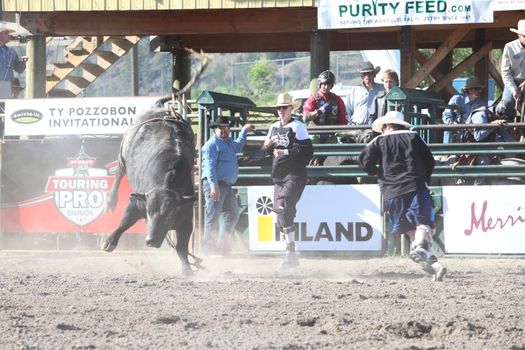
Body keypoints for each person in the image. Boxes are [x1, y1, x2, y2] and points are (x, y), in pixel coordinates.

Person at [358, 111, 446, 281]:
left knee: (411, 231)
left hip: (391, 191)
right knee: (423, 224)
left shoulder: (378, 141)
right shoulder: (413, 137)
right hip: (415, 185)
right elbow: (429, 160)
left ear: (386, 126)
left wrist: (377, 173)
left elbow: (363, 161)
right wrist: (425, 177)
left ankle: (434, 265)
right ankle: (422, 250)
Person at [263, 92, 313, 270]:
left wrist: (286, 152)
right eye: (279, 108)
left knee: (283, 206)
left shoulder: (298, 127)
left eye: (284, 107)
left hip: (294, 174)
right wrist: (268, 147)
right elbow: (266, 150)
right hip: (278, 175)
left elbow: (307, 152)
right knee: (281, 216)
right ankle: (291, 254)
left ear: (291, 109)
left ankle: (290, 253)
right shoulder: (274, 127)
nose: (281, 111)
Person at [201, 116, 255, 254]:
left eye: (226, 127)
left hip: (225, 185)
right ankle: (209, 250)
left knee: (232, 213)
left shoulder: (229, 142)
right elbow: (209, 167)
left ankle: (221, 247)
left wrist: (244, 131)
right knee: (213, 217)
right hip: (216, 184)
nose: (224, 130)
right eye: (221, 128)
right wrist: (213, 186)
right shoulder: (211, 145)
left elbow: (238, 145)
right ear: (215, 129)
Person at [302, 70, 347, 164]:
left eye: (328, 84)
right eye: (324, 84)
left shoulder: (338, 100)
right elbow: (305, 117)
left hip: (331, 136)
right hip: (315, 135)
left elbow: (343, 119)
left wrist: (337, 130)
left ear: (332, 86)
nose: (326, 87)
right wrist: (320, 111)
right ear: (320, 84)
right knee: (307, 155)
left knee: (335, 158)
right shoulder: (313, 99)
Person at [345, 61, 385, 143]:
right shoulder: (355, 90)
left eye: (369, 73)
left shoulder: (382, 89)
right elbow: (348, 110)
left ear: (374, 75)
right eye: (364, 74)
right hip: (356, 128)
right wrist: (349, 126)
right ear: (361, 76)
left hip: (375, 129)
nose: (367, 76)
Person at [442, 77, 486, 143]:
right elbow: (446, 115)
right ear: (469, 90)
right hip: (454, 134)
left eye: (479, 89)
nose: (479, 91)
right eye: (477, 89)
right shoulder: (456, 99)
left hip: (471, 136)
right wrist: (453, 126)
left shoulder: (481, 103)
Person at [367, 69, 400, 140]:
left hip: (398, 133)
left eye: (390, 81)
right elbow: (372, 116)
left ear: (396, 82)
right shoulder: (378, 98)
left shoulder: (402, 97)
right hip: (381, 132)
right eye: (386, 81)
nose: (388, 84)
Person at [501, 20, 525, 114]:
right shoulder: (509, 47)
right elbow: (505, 71)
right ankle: (506, 129)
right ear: (518, 35)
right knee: (504, 107)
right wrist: (513, 88)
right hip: (512, 81)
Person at [0, 23, 28, 99]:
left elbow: (19, 69)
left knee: (4, 107)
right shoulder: (11, 51)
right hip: (6, 84)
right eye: (6, 33)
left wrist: (23, 62)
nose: (9, 35)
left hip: (7, 84)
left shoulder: (11, 51)